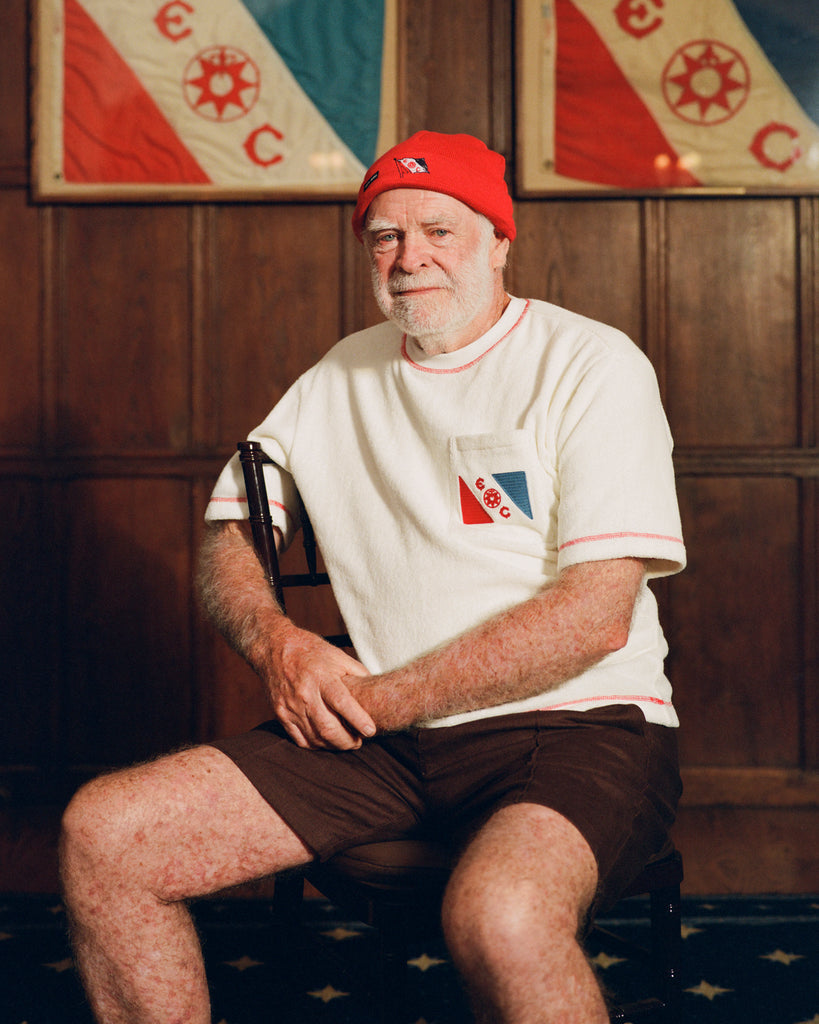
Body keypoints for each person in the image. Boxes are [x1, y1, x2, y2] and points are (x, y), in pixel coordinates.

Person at [60, 130, 686, 1024]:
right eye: (385, 237)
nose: (408, 257)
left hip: (576, 723)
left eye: (438, 229)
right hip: (381, 740)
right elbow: (231, 531)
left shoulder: (589, 363)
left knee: (501, 916)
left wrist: (382, 699)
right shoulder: (336, 377)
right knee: (106, 836)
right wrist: (278, 642)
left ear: (499, 239)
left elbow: (592, 618)